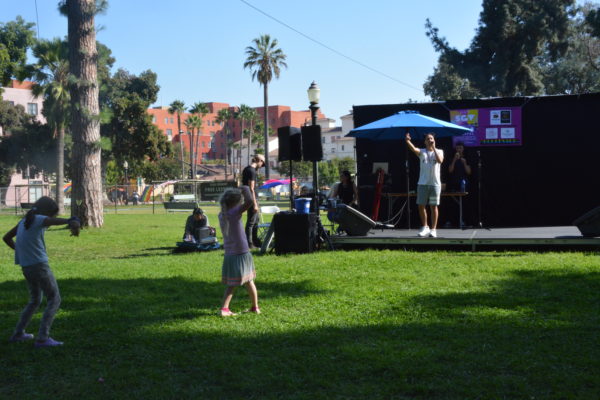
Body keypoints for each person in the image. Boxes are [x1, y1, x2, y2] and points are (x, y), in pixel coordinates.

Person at [2, 196, 80, 348]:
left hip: (27, 266)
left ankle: (18, 333)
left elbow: (6, 238)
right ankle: (43, 338)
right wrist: (70, 221)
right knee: (54, 298)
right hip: (39, 266)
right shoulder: (39, 218)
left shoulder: (24, 221)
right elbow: (51, 221)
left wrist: (21, 251)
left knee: (35, 299)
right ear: (47, 212)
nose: (52, 218)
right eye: (53, 214)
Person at [218, 187, 259, 317]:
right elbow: (250, 202)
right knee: (247, 281)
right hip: (241, 252)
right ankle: (251, 308)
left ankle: (227, 309)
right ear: (236, 202)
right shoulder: (234, 213)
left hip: (230, 253)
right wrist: (246, 189)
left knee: (236, 282)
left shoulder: (223, 214)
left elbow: (247, 203)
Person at [405, 132, 444, 238]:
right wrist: (408, 140)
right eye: (428, 139)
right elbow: (413, 149)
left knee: (433, 207)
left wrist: (434, 148)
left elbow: (440, 160)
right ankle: (425, 227)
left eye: (431, 138)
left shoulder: (439, 151)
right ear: (425, 141)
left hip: (435, 184)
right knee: (421, 206)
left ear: (434, 140)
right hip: (422, 183)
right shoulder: (422, 152)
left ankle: (433, 229)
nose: (430, 140)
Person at [241, 154, 265, 249]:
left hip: (248, 197)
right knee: (251, 222)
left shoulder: (246, 169)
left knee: (256, 221)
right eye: (262, 163)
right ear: (259, 160)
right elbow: (251, 188)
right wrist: (255, 204)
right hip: (252, 198)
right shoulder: (252, 171)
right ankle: (249, 243)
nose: (262, 166)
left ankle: (255, 241)